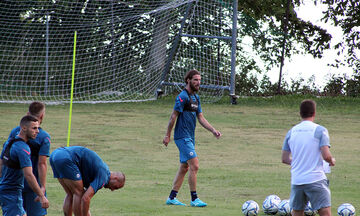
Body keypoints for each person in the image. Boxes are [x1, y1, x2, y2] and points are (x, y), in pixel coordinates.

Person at [163, 69, 222, 207]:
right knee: (194, 165)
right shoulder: (182, 97)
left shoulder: (196, 98)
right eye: (195, 79)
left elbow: (200, 117)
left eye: (200, 80)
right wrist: (167, 135)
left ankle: (172, 198)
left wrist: (213, 130)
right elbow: (173, 117)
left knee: (184, 167)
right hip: (182, 137)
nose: (198, 82)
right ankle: (194, 199)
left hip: (190, 137)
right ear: (188, 80)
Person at [281, 99, 336, 216]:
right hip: (315, 179)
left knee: (297, 212)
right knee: (325, 212)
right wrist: (331, 160)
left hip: (297, 180)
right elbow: (326, 155)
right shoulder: (320, 130)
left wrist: (300, 162)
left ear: (300, 113)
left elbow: (284, 159)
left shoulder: (291, 132)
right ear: (314, 113)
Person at [49, 146, 125, 216]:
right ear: (115, 178)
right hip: (66, 158)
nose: (112, 189)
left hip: (55, 155)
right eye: (116, 187)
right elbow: (85, 198)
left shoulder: (103, 170)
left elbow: (84, 198)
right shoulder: (104, 177)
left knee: (70, 194)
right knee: (78, 193)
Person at [7, 101, 51, 216]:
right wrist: (42, 187)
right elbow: (42, 164)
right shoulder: (44, 137)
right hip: (33, 184)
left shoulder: (16, 131)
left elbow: (5, 157)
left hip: (15, 183)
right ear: (42, 116)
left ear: (27, 114)